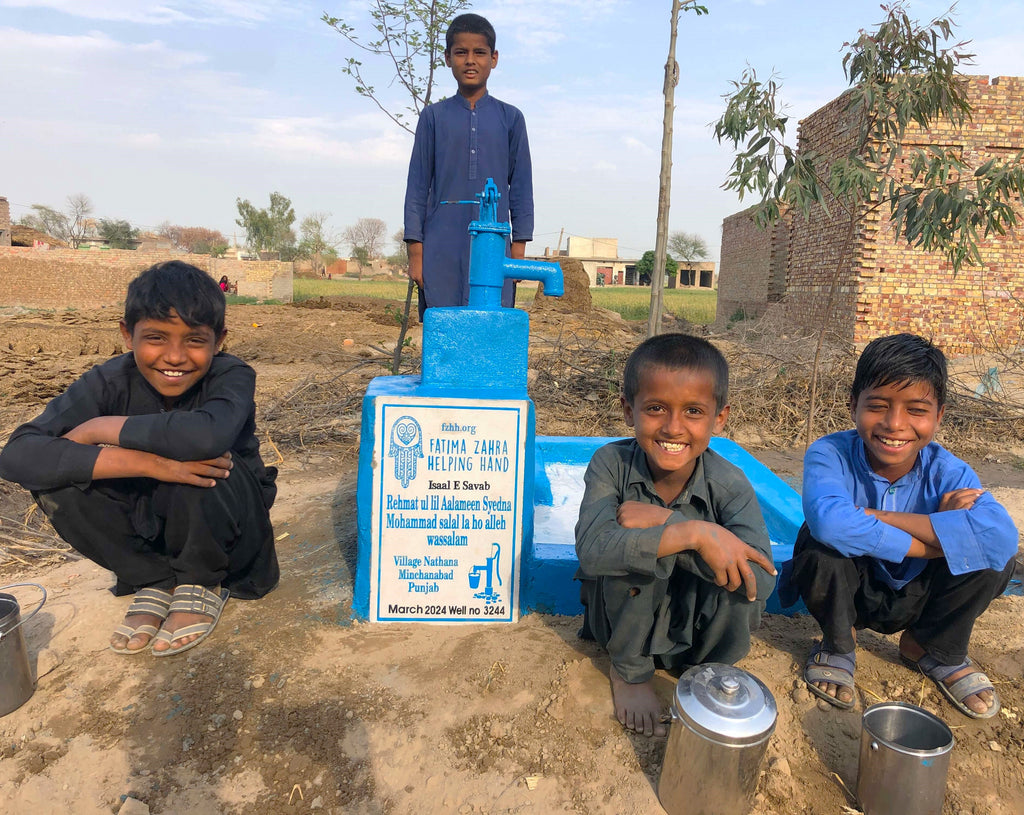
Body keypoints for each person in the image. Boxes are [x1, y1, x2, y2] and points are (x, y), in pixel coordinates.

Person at [0, 261, 279, 657]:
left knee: (206, 457)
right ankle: (156, 580)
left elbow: (205, 436)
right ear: (127, 334)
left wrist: (99, 430)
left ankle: (200, 581)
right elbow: (18, 455)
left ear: (219, 342)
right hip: (151, 529)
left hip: (229, 530)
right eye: (156, 338)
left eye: (195, 341)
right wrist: (153, 464)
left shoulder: (232, 375)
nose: (175, 356)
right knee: (58, 479)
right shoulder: (108, 381)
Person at [784, 333, 1016, 718]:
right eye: (877, 406)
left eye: (916, 410)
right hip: (854, 590)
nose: (894, 424)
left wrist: (875, 516)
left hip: (921, 594)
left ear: (939, 416)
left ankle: (931, 646)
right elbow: (828, 521)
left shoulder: (949, 471)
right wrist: (936, 536)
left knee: (993, 560)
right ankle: (840, 643)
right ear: (852, 405)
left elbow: (1001, 539)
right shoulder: (830, 452)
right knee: (817, 543)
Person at [575, 333, 777, 737]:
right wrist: (690, 536)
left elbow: (765, 579)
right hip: (621, 623)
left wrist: (679, 529)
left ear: (719, 418)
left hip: (695, 628)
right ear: (628, 410)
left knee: (742, 586)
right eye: (655, 408)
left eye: (693, 411)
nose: (673, 427)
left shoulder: (730, 483)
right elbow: (593, 551)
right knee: (638, 557)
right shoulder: (610, 464)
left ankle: (705, 671)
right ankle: (629, 673)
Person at [403, 12, 533, 319]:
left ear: (494, 58)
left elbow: (522, 189)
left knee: (490, 327)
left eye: (479, 52)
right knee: (444, 327)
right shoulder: (433, 118)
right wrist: (416, 254)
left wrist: (516, 255)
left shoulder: (511, 119)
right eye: (461, 52)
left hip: (495, 241)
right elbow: (417, 188)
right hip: (442, 243)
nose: (470, 61)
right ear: (448, 58)